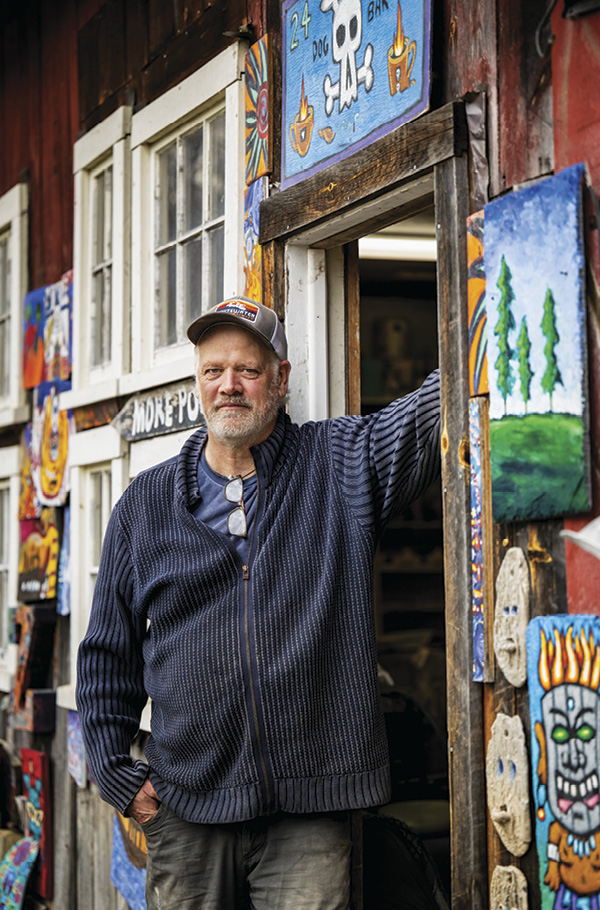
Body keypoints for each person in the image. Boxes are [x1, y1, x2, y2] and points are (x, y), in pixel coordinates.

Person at [76, 295, 441, 910]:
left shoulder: (338, 465)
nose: (229, 386)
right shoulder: (146, 505)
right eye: (213, 370)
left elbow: (432, 410)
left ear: (281, 378)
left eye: (247, 369)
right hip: (186, 804)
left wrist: (492, 276)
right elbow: (107, 652)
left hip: (311, 808)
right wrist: (117, 774)